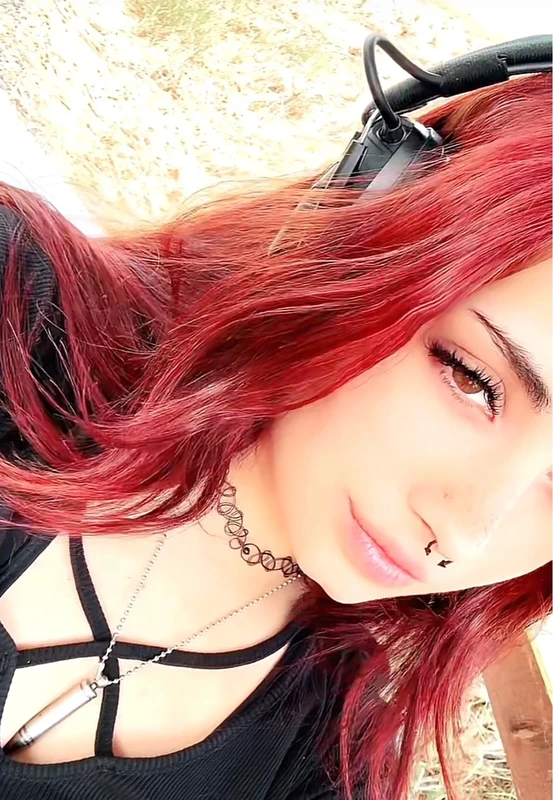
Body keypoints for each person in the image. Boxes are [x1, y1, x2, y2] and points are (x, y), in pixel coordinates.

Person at [0, 72, 550, 800]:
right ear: (371, 209)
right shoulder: (18, 306)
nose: (465, 533)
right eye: (472, 380)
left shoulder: (327, 764)